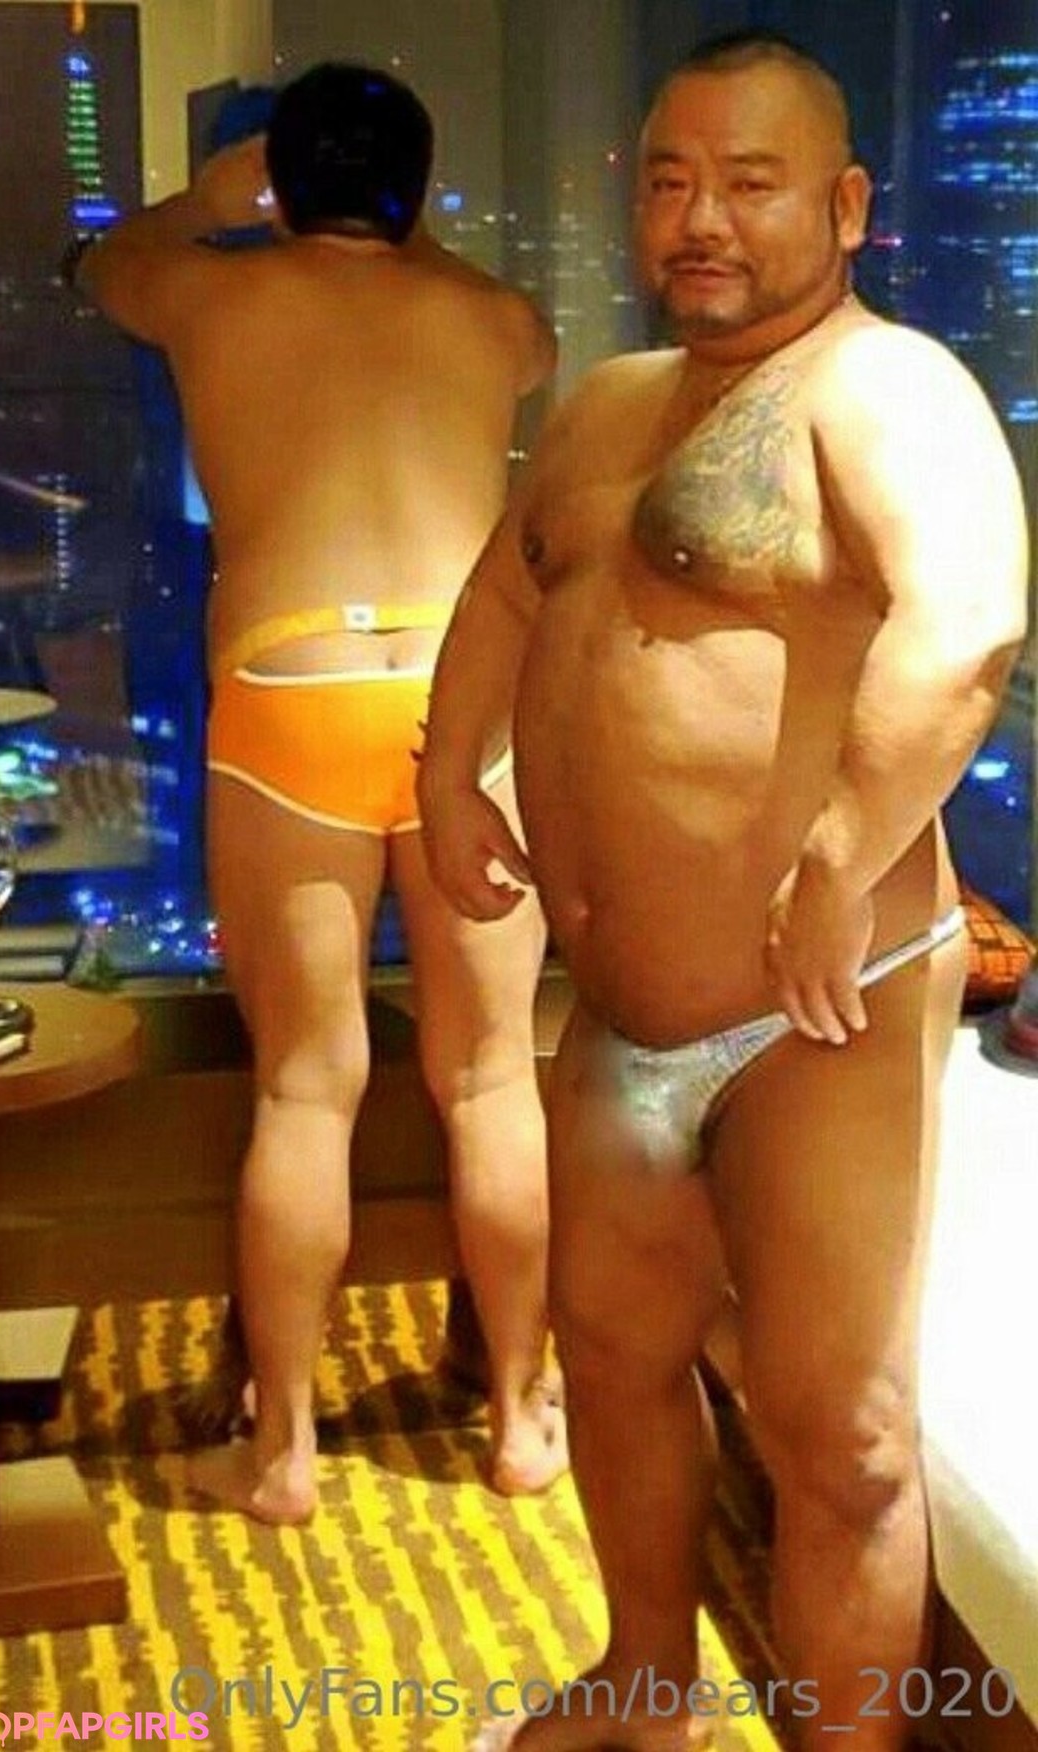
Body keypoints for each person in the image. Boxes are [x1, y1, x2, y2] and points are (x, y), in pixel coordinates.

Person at [418, 31, 1028, 1752]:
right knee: (614, 1358)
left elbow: (966, 621)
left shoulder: (884, 390)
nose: (702, 220)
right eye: (672, 182)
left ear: (846, 205)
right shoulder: (609, 405)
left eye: (751, 185)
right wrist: (449, 768)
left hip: (814, 1009)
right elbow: (512, 585)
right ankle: (643, 1686)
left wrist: (842, 854)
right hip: (619, 1011)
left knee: (841, 1435)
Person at [76, 61, 568, 1523]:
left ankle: (283, 1451)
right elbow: (522, 335)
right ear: (417, 193)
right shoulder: (492, 317)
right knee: (493, 1078)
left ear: (281, 179)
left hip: (293, 688)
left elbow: (105, 266)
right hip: (463, 696)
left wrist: (211, 201)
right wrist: (406, 229)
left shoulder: (209, 293)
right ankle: (522, 1418)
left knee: (304, 1085)